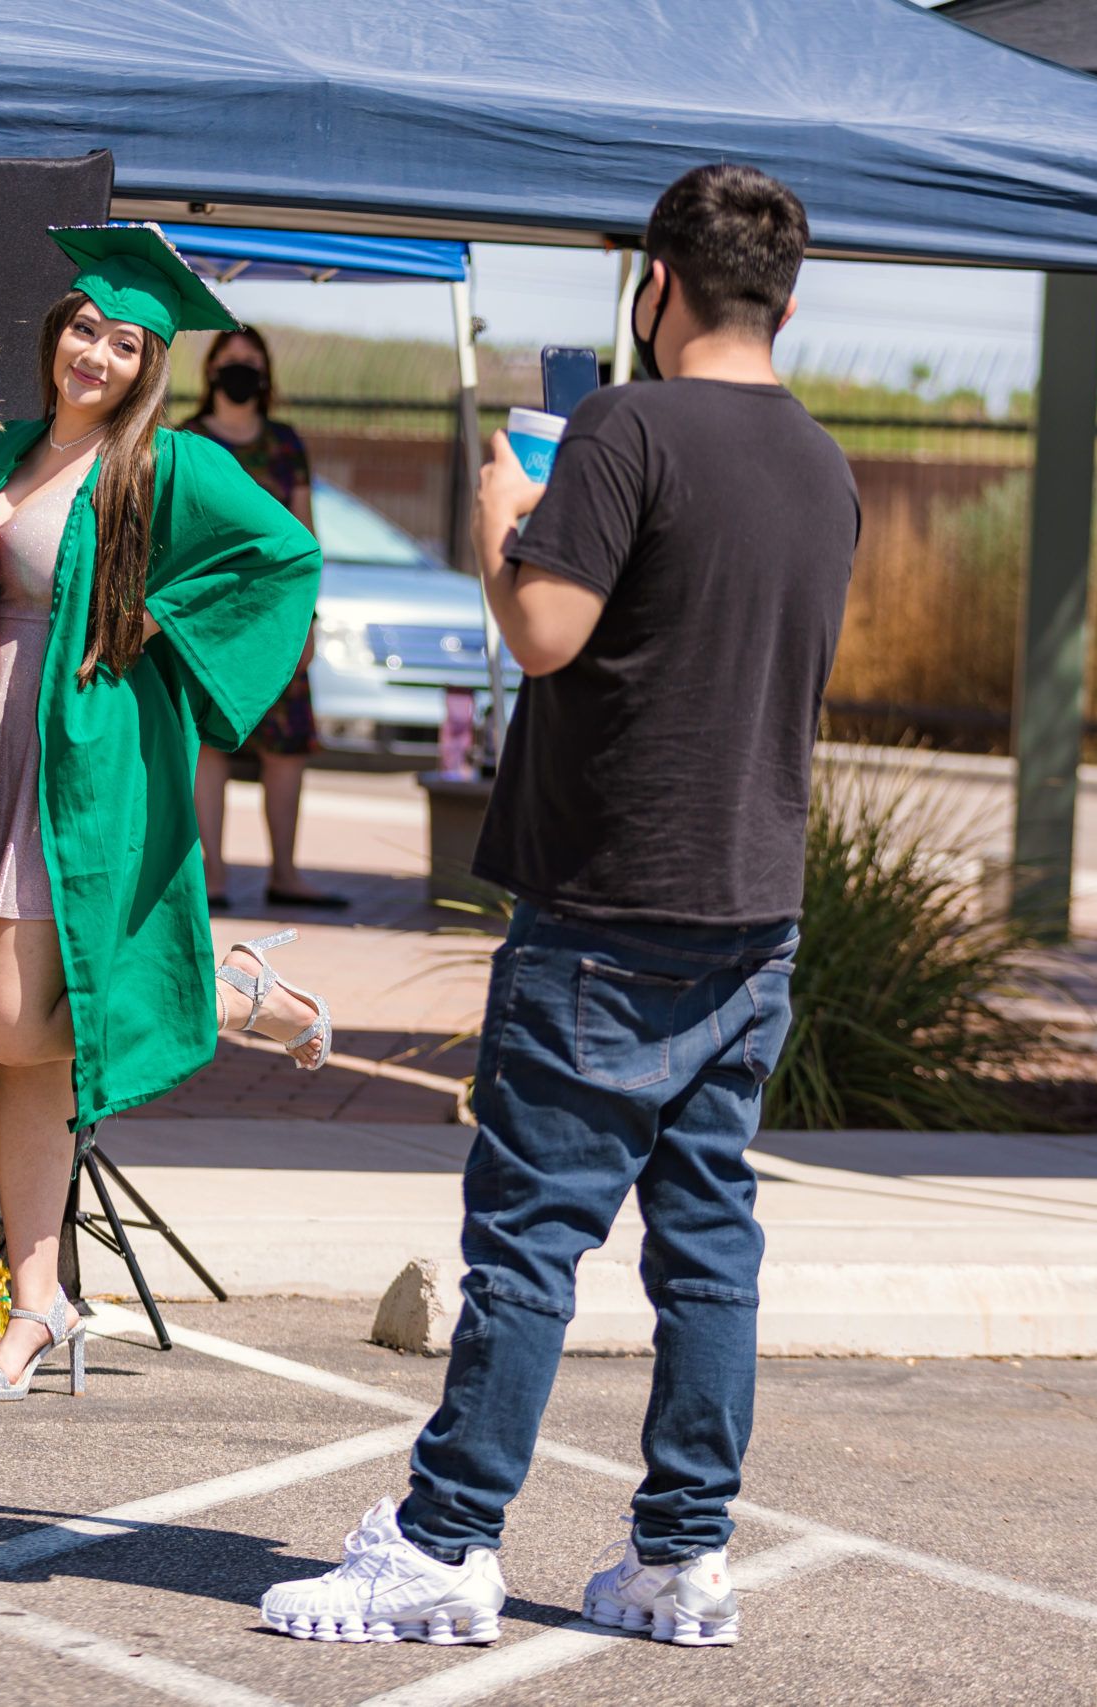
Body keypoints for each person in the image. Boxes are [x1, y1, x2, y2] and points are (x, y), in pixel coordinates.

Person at [260, 164, 856, 1649]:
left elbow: (544, 628)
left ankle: (447, 1542)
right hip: (750, 906)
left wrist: (500, 520)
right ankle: (679, 1558)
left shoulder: (625, 424)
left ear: (657, 283)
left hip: (605, 901)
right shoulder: (824, 464)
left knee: (529, 1243)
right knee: (708, 1240)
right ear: (792, 296)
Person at [0, 224, 325, 1399]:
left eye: (123, 344)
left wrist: (155, 625)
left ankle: (217, 992)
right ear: (53, 333)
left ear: (148, 363)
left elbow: (282, 560)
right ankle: (38, 1304)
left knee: (19, 1028)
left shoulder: (166, 467)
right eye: (83, 330)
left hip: (73, 761)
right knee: (12, 1050)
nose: (95, 355)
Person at [183, 326, 343, 910]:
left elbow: (306, 536)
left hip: (280, 617)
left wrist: (309, 618)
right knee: (209, 745)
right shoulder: (189, 440)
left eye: (252, 361)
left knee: (288, 748)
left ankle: (286, 873)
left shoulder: (285, 443)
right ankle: (214, 875)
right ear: (211, 370)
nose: (241, 370)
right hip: (211, 620)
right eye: (232, 360)